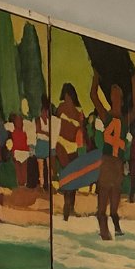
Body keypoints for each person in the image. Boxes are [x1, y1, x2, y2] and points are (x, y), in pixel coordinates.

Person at [91, 72, 135, 240]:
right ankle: (104, 231)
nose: (115, 98)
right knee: (103, 198)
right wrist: (96, 77)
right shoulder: (106, 115)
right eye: (113, 95)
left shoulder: (124, 120)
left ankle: (114, 228)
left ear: (122, 100)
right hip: (107, 161)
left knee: (115, 202)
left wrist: (134, 83)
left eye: (118, 95)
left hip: (118, 163)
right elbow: (93, 96)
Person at [53, 83, 85, 219]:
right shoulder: (60, 108)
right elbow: (55, 125)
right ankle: (67, 206)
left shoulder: (79, 113)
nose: (67, 98)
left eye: (69, 96)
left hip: (73, 147)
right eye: (65, 95)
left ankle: (71, 206)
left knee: (74, 178)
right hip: (61, 144)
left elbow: (81, 132)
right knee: (67, 175)